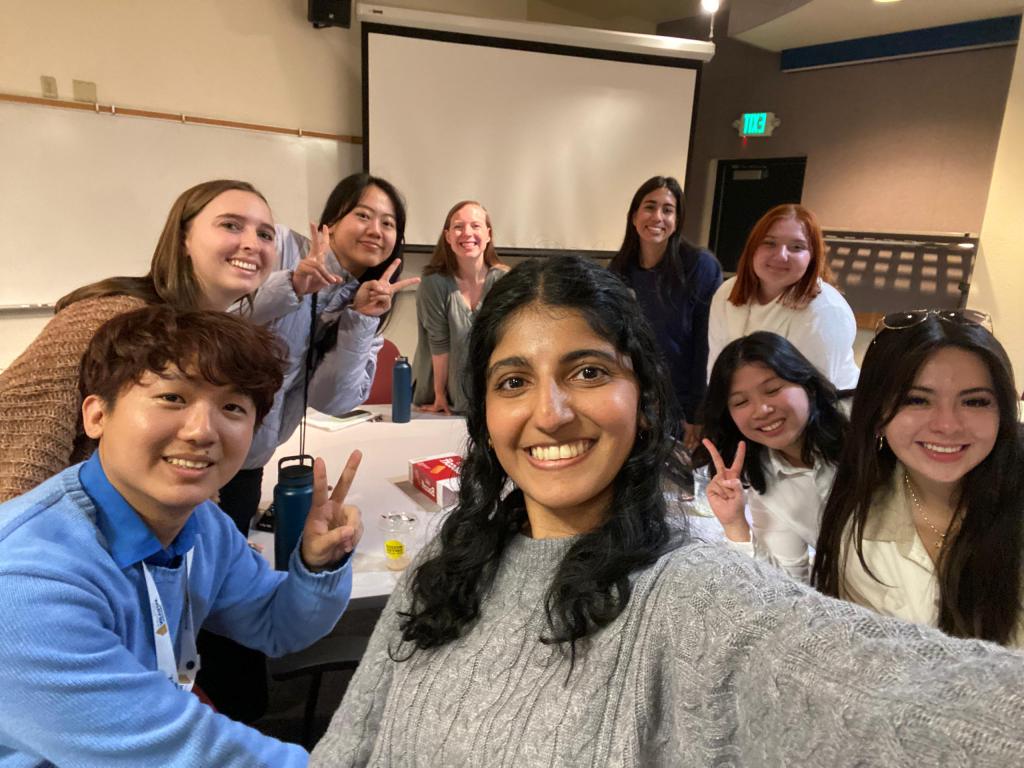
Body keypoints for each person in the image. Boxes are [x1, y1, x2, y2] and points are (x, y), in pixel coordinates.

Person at [310, 257, 1024, 767]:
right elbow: (350, 741)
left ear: (645, 400)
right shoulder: (444, 563)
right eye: (513, 380)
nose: (549, 414)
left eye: (588, 372)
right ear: (486, 412)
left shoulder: (691, 594)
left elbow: (912, 701)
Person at [0, 306, 364, 767]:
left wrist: (317, 565)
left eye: (232, 407)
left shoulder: (201, 525)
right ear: (96, 415)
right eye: (172, 398)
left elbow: (276, 625)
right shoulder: (24, 583)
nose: (201, 431)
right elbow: (178, 754)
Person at [0, 179, 278, 502]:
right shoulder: (106, 316)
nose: (252, 244)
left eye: (265, 234)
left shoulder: (209, 336)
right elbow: (21, 449)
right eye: (231, 225)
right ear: (183, 238)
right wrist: (25, 542)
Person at [812, 310, 1024, 646]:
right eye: (916, 400)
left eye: (974, 401)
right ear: (877, 415)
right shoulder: (858, 529)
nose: (948, 425)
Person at [225, 172, 419, 535]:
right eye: (363, 215)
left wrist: (359, 319)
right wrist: (293, 285)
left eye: (388, 223)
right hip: (204, 444)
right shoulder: (279, 246)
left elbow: (332, 400)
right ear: (330, 223)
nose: (376, 230)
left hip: (251, 461)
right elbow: (218, 315)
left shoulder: (370, 299)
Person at [692, 332, 849, 582]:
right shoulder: (764, 479)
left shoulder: (860, 426)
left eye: (773, 389)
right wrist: (735, 523)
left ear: (806, 384)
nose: (762, 410)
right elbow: (784, 583)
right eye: (741, 402)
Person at [609, 176, 722, 450]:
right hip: (633, 400)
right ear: (634, 216)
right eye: (649, 207)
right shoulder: (618, 270)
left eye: (668, 209)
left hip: (681, 407)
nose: (657, 217)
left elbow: (706, 344)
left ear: (678, 219)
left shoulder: (699, 266)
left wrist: (697, 411)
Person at [706, 204, 859, 389]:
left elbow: (813, 396)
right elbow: (717, 372)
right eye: (769, 243)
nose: (781, 256)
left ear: (812, 257)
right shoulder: (727, 293)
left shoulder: (827, 311)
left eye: (797, 247)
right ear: (752, 248)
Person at [412, 200, 508, 415]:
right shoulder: (433, 283)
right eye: (458, 227)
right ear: (447, 236)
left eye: (475, 226)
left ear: (488, 234)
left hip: (491, 399)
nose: (467, 233)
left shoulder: (505, 281)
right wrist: (439, 395)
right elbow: (439, 344)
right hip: (441, 397)